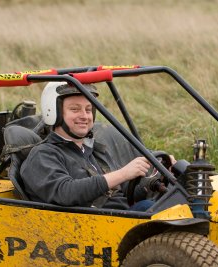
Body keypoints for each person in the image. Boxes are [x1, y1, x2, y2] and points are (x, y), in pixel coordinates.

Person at [20, 82, 158, 211]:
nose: (85, 116)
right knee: (154, 209)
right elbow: (65, 193)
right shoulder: (43, 155)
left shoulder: (94, 150)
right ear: (54, 113)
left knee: (169, 200)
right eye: (75, 109)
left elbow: (120, 194)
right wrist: (122, 174)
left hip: (120, 219)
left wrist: (152, 182)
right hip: (86, 228)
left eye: (88, 109)